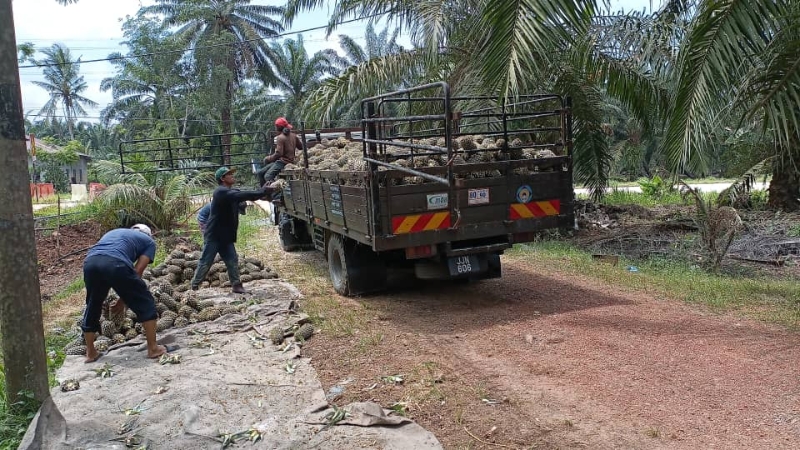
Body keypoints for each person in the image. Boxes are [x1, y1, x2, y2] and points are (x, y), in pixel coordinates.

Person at [81, 224, 168, 363]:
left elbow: (105, 257)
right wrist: (123, 301)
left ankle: (91, 352)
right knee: (145, 302)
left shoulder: (115, 232)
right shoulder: (149, 242)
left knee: (93, 304)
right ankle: (153, 348)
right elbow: (137, 271)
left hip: (90, 262)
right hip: (115, 263)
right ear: (148, 234)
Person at [191, 166, 280, 293]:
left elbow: (247, 195)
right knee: (206, 260)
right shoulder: (220, 192)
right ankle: (194, 286)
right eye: (229, 174)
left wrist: (263, 190)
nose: (233, 176)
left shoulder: (231, 192)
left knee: (232, 259)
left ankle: (236, 285)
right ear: (222, 178)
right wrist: (263, 191)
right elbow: (243, 194)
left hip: (226, 235)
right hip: (214, 235)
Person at [256, 117, 303, 187]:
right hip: (282, 161)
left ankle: (276, 193)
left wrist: (269, 158)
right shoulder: (293, 136)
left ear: (277, 128)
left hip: (283, 162)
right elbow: (301, 147)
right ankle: (264, 193)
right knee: (260, 173)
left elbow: (279, 153)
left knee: (268, 176)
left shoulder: (280, 138)